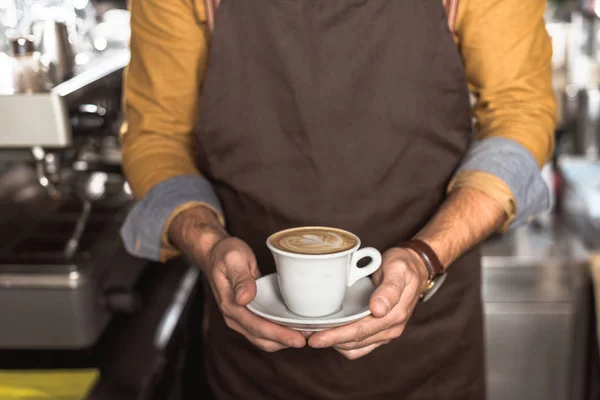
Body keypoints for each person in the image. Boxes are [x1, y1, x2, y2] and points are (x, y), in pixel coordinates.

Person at [120, 0, 556, 398]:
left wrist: (426, 255)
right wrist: (208, 243)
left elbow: (520, 113)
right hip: (253, 363)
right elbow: (157, 137)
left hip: (427, 351)